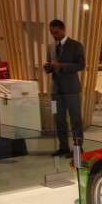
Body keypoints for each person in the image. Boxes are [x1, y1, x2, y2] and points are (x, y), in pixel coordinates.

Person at [44, 19, 85, 158]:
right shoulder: (50, 46)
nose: (54, 35)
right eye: (52, 33)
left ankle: (77, 148)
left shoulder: (76, 45)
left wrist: (62, 66)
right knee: (59, 119)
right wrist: (47, 67)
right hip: (56, 90)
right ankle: (63, 147)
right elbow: (50, 65)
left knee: (75, 120)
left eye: (56, 32)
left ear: (63, 29)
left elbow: (81, 65)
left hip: (71, 89)